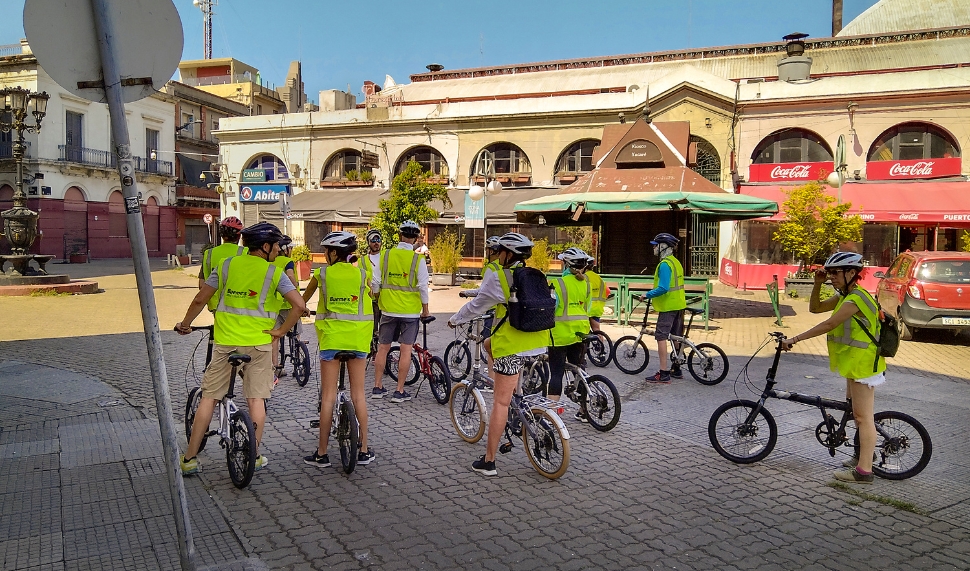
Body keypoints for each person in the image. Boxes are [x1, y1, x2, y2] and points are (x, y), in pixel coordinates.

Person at [176, 222, 306, 475]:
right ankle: (253, 456)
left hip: (226, 343)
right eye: (277, 245)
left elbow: (201, 298)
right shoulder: (273, 273)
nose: (279, 250)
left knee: (209, 397)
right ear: (265, 247)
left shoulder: (226, 266)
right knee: (256, 399)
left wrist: (185, 324)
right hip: (259, 345)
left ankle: (190, 458)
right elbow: (299, 306)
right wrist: (280, 331)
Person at [449, 232, 549, 476]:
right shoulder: (536, 275)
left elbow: (477, 305)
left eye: (499, 251)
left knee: (500, 403)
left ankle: (489, 460)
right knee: (487, 344)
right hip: (538, 340)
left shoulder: (499, 277)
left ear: (508, 254)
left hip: (512, 345)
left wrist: (454, 320)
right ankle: (516, 392)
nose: (496, 254)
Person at [782, 252, 885, 484]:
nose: (831, 277)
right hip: (853, 363)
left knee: (863, 417)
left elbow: (829, 323)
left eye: (835, 273)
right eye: (829, 273)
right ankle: (861, 455)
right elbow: (816, 308)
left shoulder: (855, 299)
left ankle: (864, 472)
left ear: (851, 273)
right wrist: (817, 284)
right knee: (854, 412)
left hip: (864, 364)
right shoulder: (844, 296)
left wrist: (794, 340)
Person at [301, 231, 375, 467]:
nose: (324, 256)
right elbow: (374, 295)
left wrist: (303, 310)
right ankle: (363, 449)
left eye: (326, 252)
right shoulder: (363, 274)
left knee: (329, 397)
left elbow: (304, 300)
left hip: (332, 340)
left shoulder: (322, 273)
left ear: (333, 253)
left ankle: (322, 454)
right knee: (359, 395)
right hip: (358, 340)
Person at [371, 220, 431, 402]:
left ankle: (377, 387)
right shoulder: (417, 259)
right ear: (415, 239)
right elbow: (422, 287)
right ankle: (399, 391)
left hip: (388, 310)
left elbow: (376, 282)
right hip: (410, 313)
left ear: (399, 236)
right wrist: (425, 310)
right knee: (406, 351)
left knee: (382, 348)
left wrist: (378, 297)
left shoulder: (386, 255)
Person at [546, 248, 592, 422]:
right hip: (580, 332)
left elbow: (552, 308)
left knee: (556, 373)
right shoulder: (586, 282)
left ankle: (551, 414)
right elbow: (587, 307)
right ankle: (584, 410)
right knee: (578, 371)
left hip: (560, 334)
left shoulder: (558, 283)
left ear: (567, 264)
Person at [642, 233, 687, 384]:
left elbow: (663, 288)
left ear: (663, 247)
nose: (654, 247)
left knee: (661, 337)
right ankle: (677, 368)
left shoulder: (665, 265)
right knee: (675, 337)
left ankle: (663, 372)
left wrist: (647, 295)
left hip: (668, 306)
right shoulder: (675, 262)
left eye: (656, 245)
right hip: (679, 305)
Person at [198, 217, 247, 311]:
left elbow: (201, 284)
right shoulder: (246, 252)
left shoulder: (209, 254)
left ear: (221, 235)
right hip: (239, 304)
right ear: (239, 235)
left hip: (215, 305)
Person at [271, 235, 301, 385]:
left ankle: (276, 366)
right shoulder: (288, 261)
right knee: (296, 334)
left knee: (275, 337)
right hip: (289, 306)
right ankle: (299, 361)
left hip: (276, 306)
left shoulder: (272, 261)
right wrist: (295, 287)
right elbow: (290, 276)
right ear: (286, 249)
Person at [361, 228, 384, 337]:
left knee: (385, 332)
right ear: (368, 242)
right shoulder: (362, 260)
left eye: (378, 240)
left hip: (385, 299)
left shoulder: (386, 257)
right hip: (370, 299)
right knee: (372, 330)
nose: (376, 243)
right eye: (373, 240)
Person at [585, 256, 611, 334]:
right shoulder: (598, 277)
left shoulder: (583, 277)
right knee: (597, 331)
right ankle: (600, 344)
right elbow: (607, 291)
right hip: (597, 308)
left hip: (587, 309)